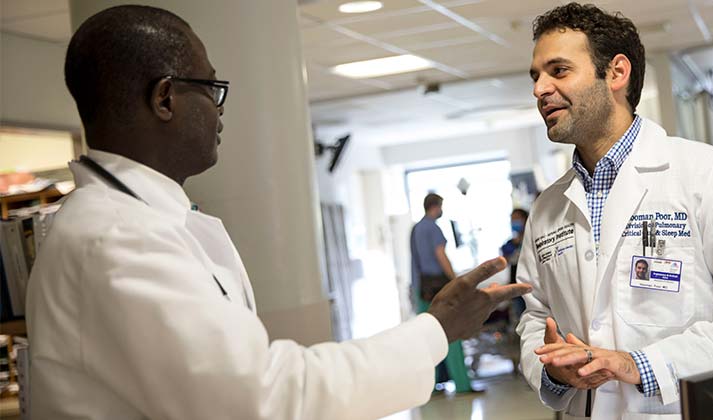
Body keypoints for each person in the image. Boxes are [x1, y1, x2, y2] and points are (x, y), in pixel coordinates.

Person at [25, 6, 533, 419]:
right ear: (165, 98)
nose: (220, 111)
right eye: (211, 90)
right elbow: (263, 397)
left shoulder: (136, 219)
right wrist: (436, 330)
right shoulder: (115, 237)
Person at [516, 3, 713, 418]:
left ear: (616, 72)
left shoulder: (711, 176)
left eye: (558, 71)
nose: (539, 89)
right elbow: (535, 317)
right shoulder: (547, 208)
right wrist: (555, 374)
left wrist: (640, 365)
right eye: (536, 76)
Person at [410, 193, 477, 393]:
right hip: (438, 287)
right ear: (436, 207)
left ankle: (434, 385)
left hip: (422, 290)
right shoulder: (433, 227)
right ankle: (462, 385)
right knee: (451, 334)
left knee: (429, 336)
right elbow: (440, 254)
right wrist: (456, 280)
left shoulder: (415, 229)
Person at [501, 208, 530, 319]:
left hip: (532, 285)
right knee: (521, 317)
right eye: (512, 219)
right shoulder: (509, 244)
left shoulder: (531, 240)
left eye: (517, 219)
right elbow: (505, 259)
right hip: (516, 286)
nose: (514, 222)